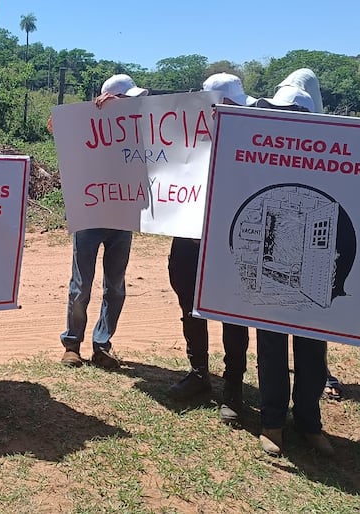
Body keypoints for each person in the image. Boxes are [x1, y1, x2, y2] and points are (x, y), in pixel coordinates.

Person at [252, 84, 333, 456]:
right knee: (270, 346)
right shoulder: (263, 149)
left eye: (290, 112)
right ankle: (271, 422)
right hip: (274, 271)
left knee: (312, 349)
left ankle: (308, 422)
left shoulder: (330, 154)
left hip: (313, 273)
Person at [167, 73, 251, 424]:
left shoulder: (255, 138)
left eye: (225, 105)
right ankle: (199, 373)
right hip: (188, 233)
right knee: (189, 302)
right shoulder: (187, 134)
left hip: (233, 238)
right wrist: (110, 110)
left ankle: (233, 387)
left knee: (233, 312)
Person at [60, 74, 148, 370]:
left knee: (116, 285)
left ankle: (102, 344)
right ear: (111, 99)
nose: (133, 104)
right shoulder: (88, 123)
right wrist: (91, 112)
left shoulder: (140, 127)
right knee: (81, 285)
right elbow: (55, 127)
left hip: (123, 215)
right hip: (91, 214)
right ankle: (72, 344)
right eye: (126, 99)